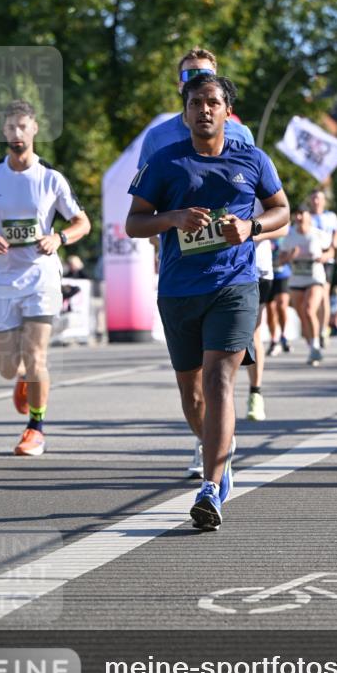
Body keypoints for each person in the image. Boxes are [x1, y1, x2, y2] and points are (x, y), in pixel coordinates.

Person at [125, 73, 289, 530]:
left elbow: (282, 211)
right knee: (192, 394)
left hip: (234, 285)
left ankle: (210, 488)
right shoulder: (165, 162)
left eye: (212, 102)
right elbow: (134, 223)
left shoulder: (252, 159)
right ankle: (221, 445)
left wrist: (252, 227)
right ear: (186, 112)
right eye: (195, 102)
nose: (204, 110)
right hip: (179, 289)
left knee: (219, 381)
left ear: (227, 111)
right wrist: (173, 217)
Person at [0, 100, 91, 456]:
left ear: (35, 128)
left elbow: (82, 222)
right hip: (1, 280)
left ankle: (36, 428)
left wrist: (59, 238)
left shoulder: (50, 179)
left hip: (40, 277)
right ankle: (21, 378)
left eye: (23, 126)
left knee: (36, 356)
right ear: (3, 131)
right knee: (7, 368)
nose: (16, 133)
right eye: (10, 127)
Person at [138, 47, 255, 167]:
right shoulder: (156, 137)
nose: (198, 81)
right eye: (190, 75)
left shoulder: (241, 134)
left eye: (205, 75)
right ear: (180, 85)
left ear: (217, 84)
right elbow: (146, 178)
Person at [245, 199, 289, 421]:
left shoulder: (260, 183)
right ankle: (218, 402)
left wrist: (252, 233)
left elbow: (284, 226)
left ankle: (255, 392)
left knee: (252, 333)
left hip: (257, 269)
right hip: (220, 270)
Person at [279, 207, 329, 366]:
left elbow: (331, 251)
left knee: (309, 310)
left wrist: (324, 257)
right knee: (302, 316)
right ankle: (312, 347)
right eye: (297, 214)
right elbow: (280, 260)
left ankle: (316, 346)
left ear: (309, 217)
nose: (300, 217)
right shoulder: (289, 236)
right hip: (296, 281)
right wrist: (290, 256)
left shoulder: (317, 234)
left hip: (315, 278)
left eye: (303, 214)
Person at [307, 188, 337, 348]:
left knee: (325, 294)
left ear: (324, 201)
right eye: (313, 198)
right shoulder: (307, 217)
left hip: (327, 259)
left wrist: (333, 247)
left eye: (319, 198)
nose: (316, 201)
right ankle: (314, 328)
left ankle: (323, 329)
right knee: (314, 297)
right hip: (311, 260)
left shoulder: (331, 216)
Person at [266, 239, 293, 355]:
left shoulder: (286, 234)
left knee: (282, 305)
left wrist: (286, 258)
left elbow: (295, 249)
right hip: (267, 274)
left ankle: (284, 335)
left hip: (282, 274)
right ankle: (274, 340)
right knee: (270, 309)